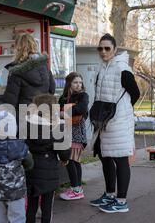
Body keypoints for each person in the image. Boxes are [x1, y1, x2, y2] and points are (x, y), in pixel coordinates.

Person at [90, 33, 140, 213]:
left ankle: (121, 201)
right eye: (100, 48)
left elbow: (135, 93)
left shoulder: (122, 68)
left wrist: (123, 110)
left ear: (115, 50)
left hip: (118, 121)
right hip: (105, 121)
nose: (103, 52)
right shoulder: (102, 67)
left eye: (107, 48)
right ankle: (110, 194)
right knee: (105, 156)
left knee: (120, 158)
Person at [25, 94, 71, 223]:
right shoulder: (55, 126)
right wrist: (65, 159)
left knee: (31, 207)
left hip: (30, 170)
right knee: (46, 208)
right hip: (49, 170)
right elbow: (64, 149)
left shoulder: (27, 125)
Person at [2, 33, 55, 110]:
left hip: (24, 113)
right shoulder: (44, 66)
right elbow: (52, 89)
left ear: (18, 48)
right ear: (34, 45)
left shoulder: (17, 70)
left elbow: (11, 99)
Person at [58, 72, 89, 201]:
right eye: (75, 82)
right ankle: (77, 188)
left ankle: (76, 189)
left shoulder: (83, 96)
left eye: (80, 82)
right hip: (66, 131)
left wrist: (63, 112)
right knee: (72, 161)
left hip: (77, 133)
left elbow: (81, 109)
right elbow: (57, 110)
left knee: (72, 161)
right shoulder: (64, 97)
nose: (78, 85)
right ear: (69, 83)